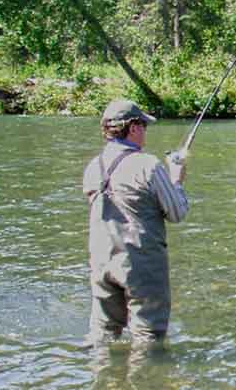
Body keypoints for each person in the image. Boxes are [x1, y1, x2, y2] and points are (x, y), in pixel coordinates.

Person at [82, 99, 188, 347]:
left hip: (100, 263)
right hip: (140, 266)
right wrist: (177, 180)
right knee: (149, 340)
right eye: (143, 125)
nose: (145, 132)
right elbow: (177, 213)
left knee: (103, 337)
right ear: (133, 128)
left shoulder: (93, 167)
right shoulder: (147, 165)